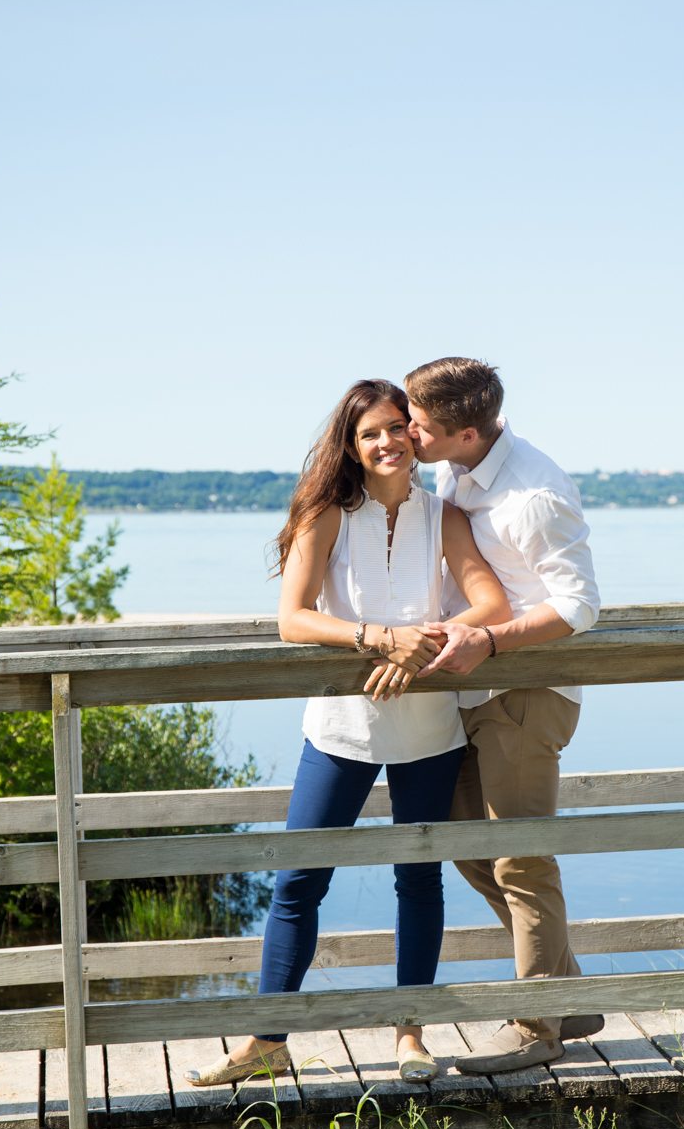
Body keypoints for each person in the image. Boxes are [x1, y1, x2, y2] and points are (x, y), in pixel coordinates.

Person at [187, 378, 510, 1088]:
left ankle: (410, 1034)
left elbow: (488, 600)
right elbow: (293, 619)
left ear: (414, 434)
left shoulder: (444, 516)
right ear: (353, 446)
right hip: (341, 725)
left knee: (419, 880)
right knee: (299, 881)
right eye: (371, 433)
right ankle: (266, 1040)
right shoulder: (328, 513)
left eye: (398, 427)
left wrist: (424, 644)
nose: (388, 441)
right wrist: (379, 639)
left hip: (430, 724)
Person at [402, 357, 601, 1075]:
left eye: (418, 426)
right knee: (465, 843)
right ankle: (567, 998)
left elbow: (579, 606)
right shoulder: (457, 470)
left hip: (527, 692)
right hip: (472, 694)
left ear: (461, 433)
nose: (408, 432)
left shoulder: (535, 493)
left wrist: (490, 639)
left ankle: (533, 1027)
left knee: (521, 858)